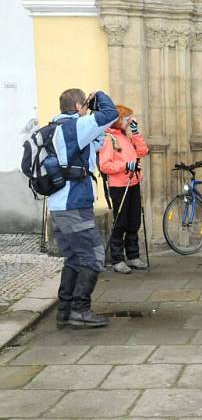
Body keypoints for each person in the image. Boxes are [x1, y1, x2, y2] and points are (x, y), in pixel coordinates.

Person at [50, 89, 119, 329]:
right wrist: (99, 95)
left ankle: (64, 312)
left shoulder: (56, 128)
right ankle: (80, 310)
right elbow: (112, 114)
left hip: (59, 206)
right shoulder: (75, 127)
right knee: (92, 257)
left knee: (74, 259)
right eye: (84, 106)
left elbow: (97, 142)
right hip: (74, 205)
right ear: (79, 105)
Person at [98, 105, 150, 274]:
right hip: (119, 186)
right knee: (120, 222)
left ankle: (133, 256)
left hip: (133, 182)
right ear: (119, 120)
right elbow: (105, 166)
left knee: (134, 220)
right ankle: (117, 259)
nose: (130, 121)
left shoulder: (126, 136)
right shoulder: (109, 139)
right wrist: (125, 165)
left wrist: (136, 133)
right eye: (128, 119)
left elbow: (143, 151)